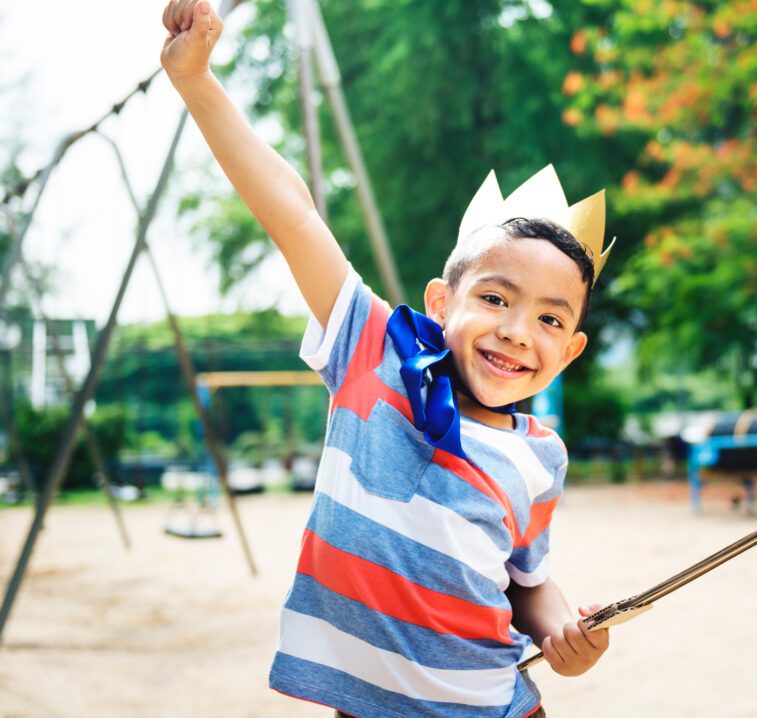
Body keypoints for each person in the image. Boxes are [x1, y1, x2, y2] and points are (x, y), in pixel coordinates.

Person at [160, 2, 614, 715]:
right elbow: (294, 214)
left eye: (549, 318)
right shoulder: (376, 351)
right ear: (441, 302)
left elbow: (526, 583)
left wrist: (565, 633)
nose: (519, 331)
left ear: (571, 349)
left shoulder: (541, 458)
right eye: (495, 299)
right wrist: (197, 84)